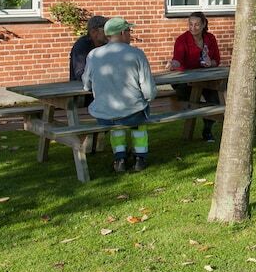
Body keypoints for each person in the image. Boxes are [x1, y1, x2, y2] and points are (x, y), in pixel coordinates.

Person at [83, 17, 157, 173]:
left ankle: (120, 157)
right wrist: (149, 99)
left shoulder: (93, 55)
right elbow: (149, 90)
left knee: (115, 123)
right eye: (129, 31)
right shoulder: (137, 53)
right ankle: (140, 157)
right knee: (139, 120)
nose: (130, 34)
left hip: (104, 114)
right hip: (133, 112)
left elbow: (86, 83)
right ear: (123, 33)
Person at [168, 12, 222, 142]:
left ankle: (207, 131)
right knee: (192, 101)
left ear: (203, 24)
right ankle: (191, 128)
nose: (193, 28)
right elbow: (177, 60)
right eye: (190, 24)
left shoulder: (210, 38)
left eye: (197, 24)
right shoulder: (182, 40)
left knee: (214, 100)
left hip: (205, 78)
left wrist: (210, 63)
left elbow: (217, 60)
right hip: (185, 80)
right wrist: (172, 64)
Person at [69, 15, 109, 81]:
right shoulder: (82, 45)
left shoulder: (107, 44)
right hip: (80, 86)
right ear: (93, 32)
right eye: (105, 30)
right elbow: (80, 73)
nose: (108, 34)